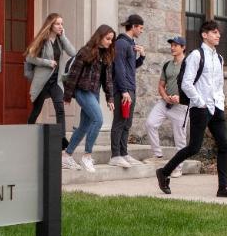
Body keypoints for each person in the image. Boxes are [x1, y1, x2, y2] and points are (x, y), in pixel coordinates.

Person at [155, 21, 227, 198]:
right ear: (204, 35)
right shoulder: (196, 55)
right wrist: (200, 102)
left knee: (224, 145)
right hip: (200, 107)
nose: (218, 35)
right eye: (214, 32)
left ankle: (222, 188)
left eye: (219, 33)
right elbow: (187, 83)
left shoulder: (219, 58)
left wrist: (221, 102)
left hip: (216, 106)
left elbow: (218, 84)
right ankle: (164, 172)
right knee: (194, 147)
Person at [62, 24, 116, 173]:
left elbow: (108, 80)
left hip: (94, 93)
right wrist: (67, 95)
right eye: (108, 39)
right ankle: (87, 156)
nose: (110, 42)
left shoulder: (106, 55)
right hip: (82, 91)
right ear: (99, 37)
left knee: (84, 126)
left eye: (111, 40)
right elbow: (74, 74)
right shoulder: (85, 52)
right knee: (98, 120)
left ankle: (66, 156)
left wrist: (110, 98)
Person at [25, 13, 78, 162]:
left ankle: (61, 139)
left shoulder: (60, 41)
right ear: (51, 25)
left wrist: (64, 37)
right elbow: (29, 58)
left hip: (56, 82)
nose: (61, 26)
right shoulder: (42, 40)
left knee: (60, 108)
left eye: (62, 24)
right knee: (36, 110)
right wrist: (47, 62)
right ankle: (27, 132)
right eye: (58, 24)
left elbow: (73, 53)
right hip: (43, 82)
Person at [145, 36, 189, 177]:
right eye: (171, 45)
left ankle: (178, 167)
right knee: (150, 123)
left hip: (181, 106)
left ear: (183, 48)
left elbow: (193, 86)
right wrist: (165, 97)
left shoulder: (188, 65)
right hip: (165, 103)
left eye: (176, 45)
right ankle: (157, 155)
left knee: (180, 138)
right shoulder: (167, 65)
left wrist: (180, 98)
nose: (172, 47)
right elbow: (161, 85)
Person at [109, 14, 146, 169]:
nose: (142, 31)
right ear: (134, 26)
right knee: (119, 122)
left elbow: (130, 67)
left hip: (130, 88)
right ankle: (115, 155)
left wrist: (142, 57)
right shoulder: (121, 44)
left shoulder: (131, 44)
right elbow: (119, 69)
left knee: (127, 123)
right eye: (141, 28)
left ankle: (124, 153)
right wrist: (124, 91)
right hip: (123, 90)